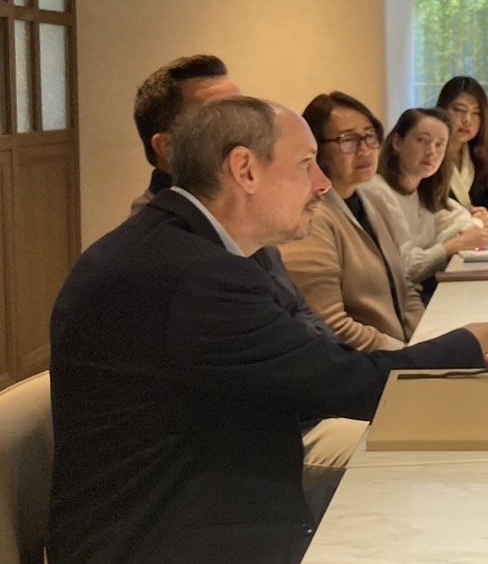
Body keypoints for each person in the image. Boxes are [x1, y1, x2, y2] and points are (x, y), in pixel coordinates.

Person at [48, 96, 488, 562]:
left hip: (207, 504)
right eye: (306, 163)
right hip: (165, 537)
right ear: (246, 170)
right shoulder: (195, 277)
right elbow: (344, 383)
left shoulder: (201, 249)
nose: (322, 182)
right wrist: (471, 342)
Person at [128, 54, 361, 511]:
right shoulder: (175, 254)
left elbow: (302, 321)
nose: (240, 123)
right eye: (213, 117)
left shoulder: (241, 224)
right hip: (221, 469)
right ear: (168, 148)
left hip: (279, 415)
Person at [279, 92, 425, 352]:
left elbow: (405, 288)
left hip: (400, 355)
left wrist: (427, 341)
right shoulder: (311, 218)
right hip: (362, 366)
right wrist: (406, 356)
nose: (365, 149)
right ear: (317, 150)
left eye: (370, 135)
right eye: (348, 140)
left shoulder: (373, 199)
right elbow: (330, 323)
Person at [361, 108, 488, 302]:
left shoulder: (424, 193)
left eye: (440, 145)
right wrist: (451, 246)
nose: (432, 151)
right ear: (397, 143)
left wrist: (464, 234)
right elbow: (404, 269)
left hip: (417, 297)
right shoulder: (377, 191)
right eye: (422, 141)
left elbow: (464, 224)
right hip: (395, 304)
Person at [130, 54, 240, 213]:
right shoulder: (159, 232)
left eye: (243, 111)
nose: (242, 126)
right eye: (217, 117)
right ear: (168, 147)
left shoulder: (230, 211)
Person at [438, 76, 488, 228]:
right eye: (459, 110)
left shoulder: (483, 155)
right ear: (442, 109)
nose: (467, 120)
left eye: (476, 113)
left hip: (477, 240)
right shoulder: (429, 154)